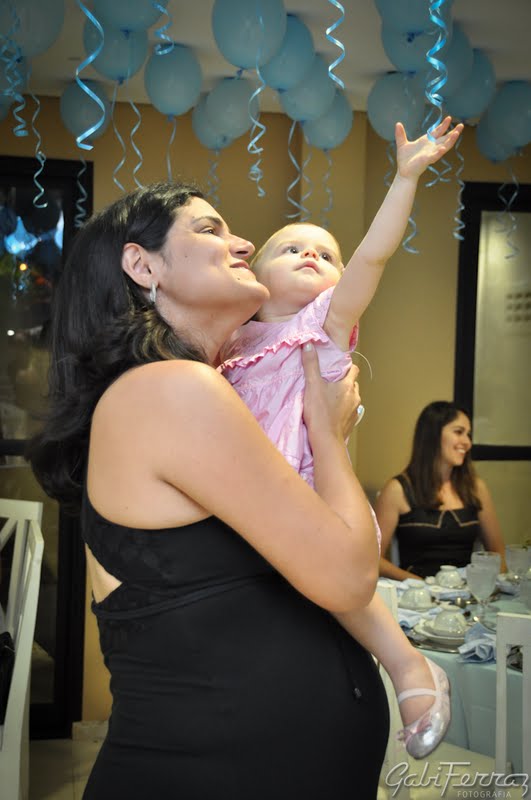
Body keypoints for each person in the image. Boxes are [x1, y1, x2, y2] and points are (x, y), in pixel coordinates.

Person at [27, 182, 390, 799]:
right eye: (210, 229)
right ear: (143, 266)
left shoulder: (174, 391)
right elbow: (350, 576)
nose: (243, 244)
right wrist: (327, 435)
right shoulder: (174, 389)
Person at [220, 118, 462, 759]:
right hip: (244, 496)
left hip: (308, 492)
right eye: (291, 249)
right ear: (255, 274)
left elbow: (375, 254)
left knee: (347, 594)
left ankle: (410, 668)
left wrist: (405, 178)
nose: (311, 256)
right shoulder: (230, 344)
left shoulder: (323, 326)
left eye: (327, 255)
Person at [376, 401, 507, 581]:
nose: (467, 443)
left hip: (466, 592)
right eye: (458, 432)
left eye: (468, 435)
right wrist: (423, 585)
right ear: (433, 435)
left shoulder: (476, 488)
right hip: (418, 592)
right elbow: (374, 559)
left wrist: (491, 587)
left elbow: (497, 553)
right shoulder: (397, 490)